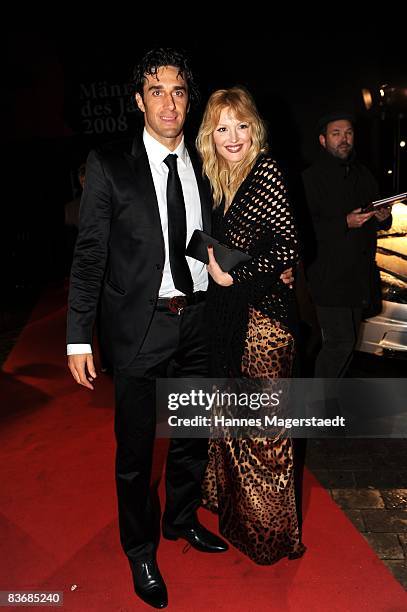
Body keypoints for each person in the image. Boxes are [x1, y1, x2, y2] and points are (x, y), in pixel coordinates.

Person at [66, 48, 229, 610]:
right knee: (136, 453)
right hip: (140, 328)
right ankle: (139, 548)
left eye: (178, 91)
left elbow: (207, 236)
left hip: (199, 324)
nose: (169, 102)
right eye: (156, 91)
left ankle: (181, 519)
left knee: (191, 439)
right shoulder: (110, 164)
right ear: (138, 101)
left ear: (190, 101)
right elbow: (90, 256)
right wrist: (78, 335)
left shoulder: (207, 164)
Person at [195, 86, 306, 564]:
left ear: (254, 127)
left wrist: (230, 274)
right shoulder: (221, 180)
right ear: (210, 137)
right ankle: (242, 520)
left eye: (241, 125)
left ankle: (273, 536)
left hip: (266, 325)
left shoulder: (267, 172)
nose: (233, 136)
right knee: (234, 427)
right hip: (233, 320)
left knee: (264, 435)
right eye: (222, 128)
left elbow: (288, 249)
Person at [302, 112, 392, 378]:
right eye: (336, 133)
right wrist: (344, 222)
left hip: (359, 278)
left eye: (349, 133)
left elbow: (377, 217)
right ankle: (318, 407)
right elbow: (302, 229)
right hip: (329, 278)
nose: (344, 139)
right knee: (339, 344)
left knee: (347, 344)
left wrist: (383, 218)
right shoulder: (309, 178)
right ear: (322, 140)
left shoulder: (363, 174)